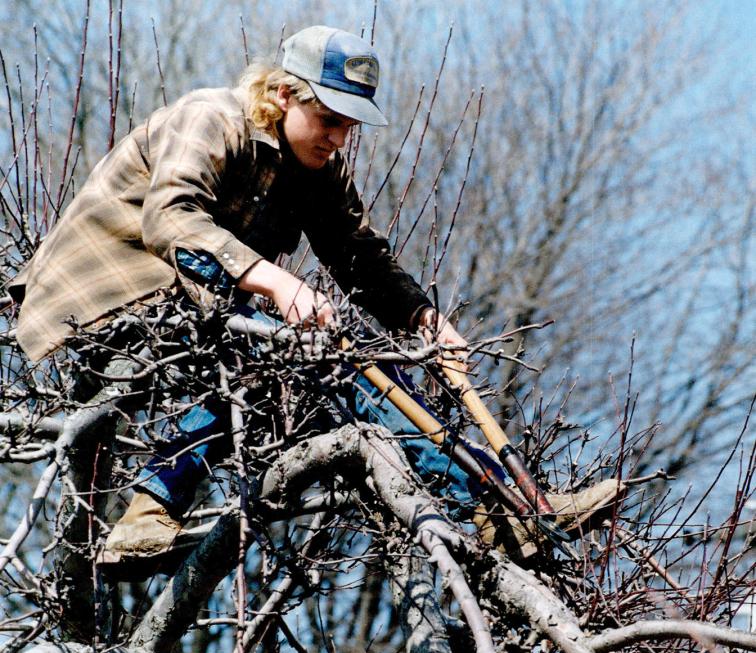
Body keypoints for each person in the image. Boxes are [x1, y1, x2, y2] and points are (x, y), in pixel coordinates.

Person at [10, 25, 620, 573]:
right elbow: (169, 219)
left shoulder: (314, 168)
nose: (339, 138)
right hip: (106, 294)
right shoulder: (213, 117)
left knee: (336, 367)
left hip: (195, 302)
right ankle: (499, 507)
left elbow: (358, 254)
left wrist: (424, 318)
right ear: (282, 95)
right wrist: (277, 281)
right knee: (287, 355)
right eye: (329, 119)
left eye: (350, 126)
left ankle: (503, 505)